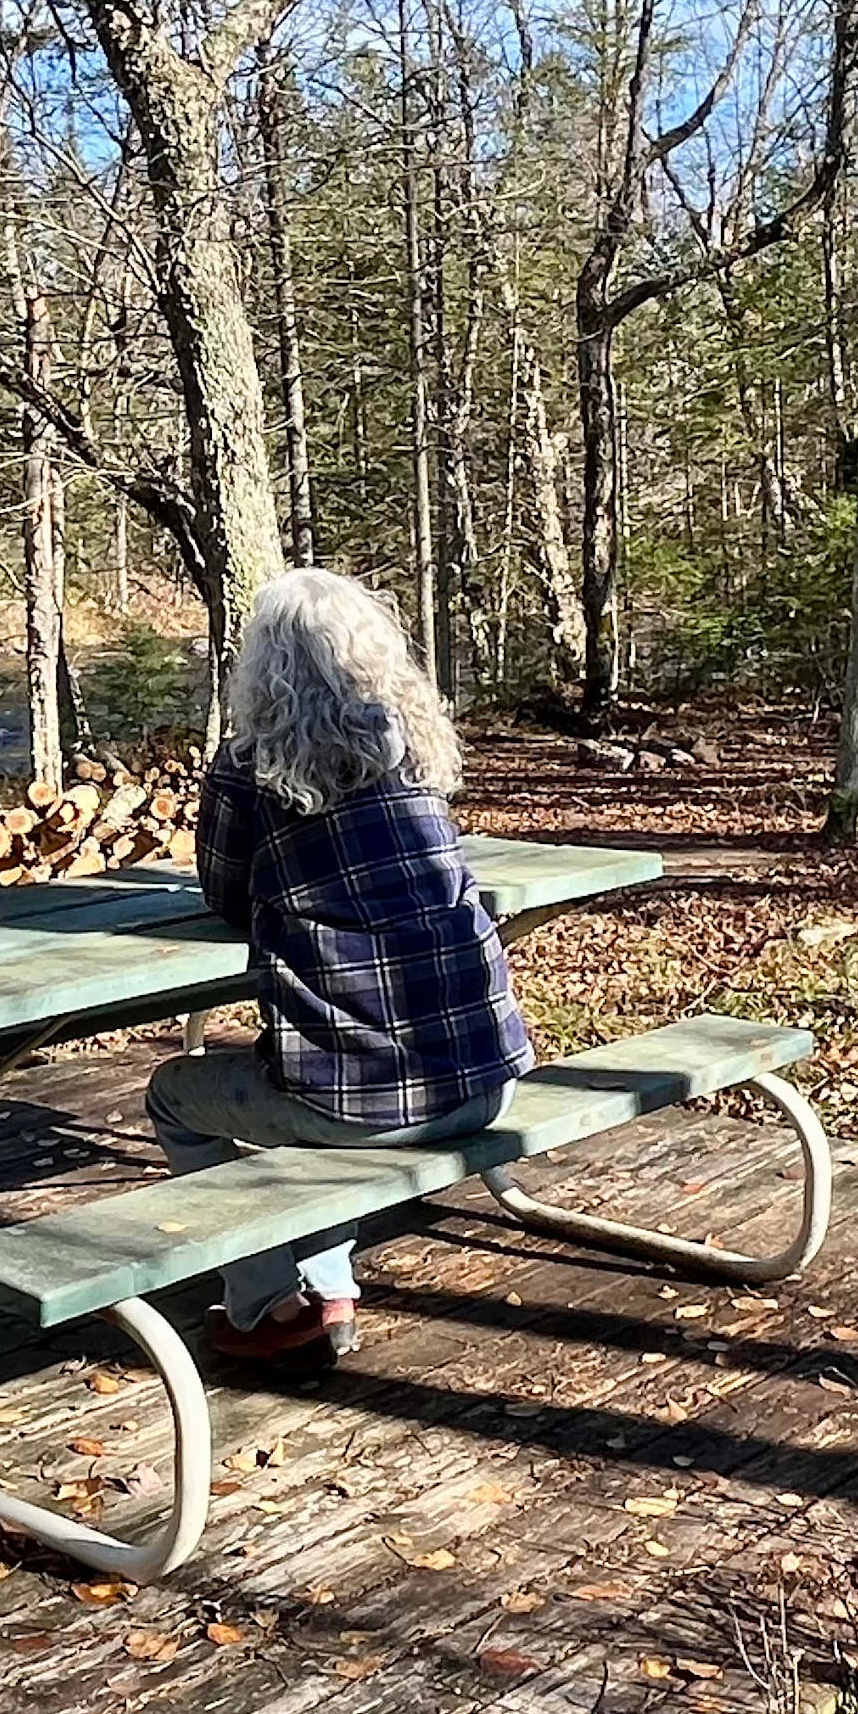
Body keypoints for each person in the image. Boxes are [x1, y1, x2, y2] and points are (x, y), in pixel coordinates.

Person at [147, 568, 534, 1366]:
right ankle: (331, 1288)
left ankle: (266, 1305)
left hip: (369, 1102)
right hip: (487, 1080)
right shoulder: (412, 745)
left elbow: (224, 893)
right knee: (321, 1072)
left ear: (264, 664)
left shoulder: (249, 765)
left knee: (180, 1094)